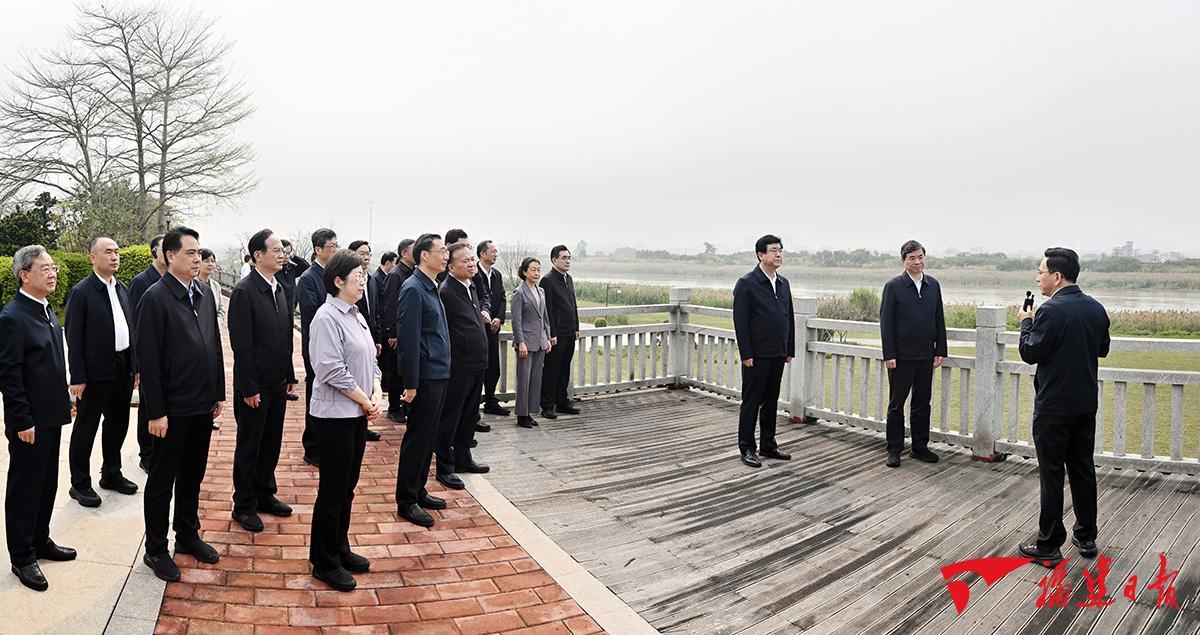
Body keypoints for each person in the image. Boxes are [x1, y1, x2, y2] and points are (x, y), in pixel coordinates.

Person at [136, 226, 226, 582]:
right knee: (162, 480)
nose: (197, 258)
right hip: (171, 410)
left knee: (192, 475)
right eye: (190, 252)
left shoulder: (202, 293)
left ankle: (187, 535)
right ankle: (156, 549)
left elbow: (214, 346)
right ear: (170, 255)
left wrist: (217, 392)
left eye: (199, 252)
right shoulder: (155, 298)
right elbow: (149, 360)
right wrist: (156, 411)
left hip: (201, 404)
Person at [1017, 247, 1110, 568]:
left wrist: (1026, 323)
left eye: (1041, 272)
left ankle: (1049, 544)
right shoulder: (1096, 308)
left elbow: (1030, 352)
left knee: (1053, 474)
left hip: (1054, 407)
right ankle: (1086, 535)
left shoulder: (1049, 311)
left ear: (1057, 276)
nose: (1038, 278)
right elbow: (1102, 349)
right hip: (1084, 404)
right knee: (1083, 469)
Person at [0, 246, 77, 592]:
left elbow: (52, 363)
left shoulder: (45, 310)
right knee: (25, 487)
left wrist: (65, 399)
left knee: (47, 483)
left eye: (53, 267)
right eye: (44, 268)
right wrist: (21, 420)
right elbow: (9, 375)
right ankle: (21, 555)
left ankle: (40, 539)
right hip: (29, 421)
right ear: (24, 275)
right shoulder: (13, 317)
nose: (52, 273)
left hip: (51, 415)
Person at [307, 250, 381, 591]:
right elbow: (330, 369)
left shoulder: (355, 314)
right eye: (357, 277)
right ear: (338, 281)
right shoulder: (326, 317)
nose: (363, 282)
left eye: (364, 276)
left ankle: (339, 547)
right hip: (336, 415)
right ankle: (323, 561)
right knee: (333, 490)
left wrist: (376, 391)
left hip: (357, 413)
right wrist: (365, 399)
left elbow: (371, 360)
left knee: (347, 486)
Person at [228, 229, 298, 533]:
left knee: (271, 443)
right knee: (250, 447)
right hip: (254, 387)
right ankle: (243, 505)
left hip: (277, 382)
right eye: (276, 250)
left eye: (283, 250)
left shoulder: (278, 287)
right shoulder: (245, 291)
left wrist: (289, 374)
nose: (283, 255)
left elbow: (285, 336)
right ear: (258, 255)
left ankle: (264, 493)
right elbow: (241, 345)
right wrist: (249, 387)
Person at [64, 237, 138, 509]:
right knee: (86, 426)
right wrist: (78, 376)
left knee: (118, 423)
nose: (114, 256)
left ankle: (111, 473)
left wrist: (134, 366)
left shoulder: (122, 288)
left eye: (117, 252)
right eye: (108, 252)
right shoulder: (82, 292)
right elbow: (74, 336)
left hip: (122, 366)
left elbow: (131, 329)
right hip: (95, 371)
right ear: (92, 258)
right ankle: (80, 482)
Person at [394, 234, 451, 528]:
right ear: (424, 255)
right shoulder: (413, 289)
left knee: (428, 437)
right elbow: (408, 340)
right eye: (441, 251)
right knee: (417, 438)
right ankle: (406, 500)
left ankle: (419, 490)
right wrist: (411, 384)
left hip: (438, 373)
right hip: (425, 377)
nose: (446, 255)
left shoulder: (431, 285)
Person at [879, 240, 948, 468]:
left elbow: (939, 318)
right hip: (901, 357)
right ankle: (894, 449)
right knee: (896, 404)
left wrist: (940, 349)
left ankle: (920, 447)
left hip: (926, 355)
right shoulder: (893, 286)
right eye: (912, 258)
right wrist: (889, 354)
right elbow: (886, 323)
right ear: (903, 261)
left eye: (920, 257)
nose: (917, 262)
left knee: (922, 403)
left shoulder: (933, 285)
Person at [732, 235, 795, 468]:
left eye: (780, 250)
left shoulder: (783, 283)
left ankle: (768, 444)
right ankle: (747, 447)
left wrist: (789, 348)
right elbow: (741, 322)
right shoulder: (747, 283)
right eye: (773, 251)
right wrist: (746, 354)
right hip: (756, 355)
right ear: (761, 255)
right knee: (752, 402)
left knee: (771, 400)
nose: (778, 255)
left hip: (778, 352)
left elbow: (788, 317)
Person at [434, 244, 491, 491]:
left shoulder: (471, 286)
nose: (470, 264)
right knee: (451, 416)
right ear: (451, 267)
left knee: (469, 415)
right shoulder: (446, 291)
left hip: (477, 362)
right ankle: (445, 466)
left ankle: (463, 457)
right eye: (464, 261)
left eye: (471, 260)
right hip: (458, 365)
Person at [298, 228, 339, 467]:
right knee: (316, 396)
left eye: (336, 245)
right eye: (332, 246)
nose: (335, 249)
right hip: (316, 347)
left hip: (335, 347)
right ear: (318, 249)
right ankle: (312, 447)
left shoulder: (333, 276)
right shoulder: (308, 278)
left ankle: (325, 444)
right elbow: (311, 316)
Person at [129, 233, 166, 473]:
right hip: (147, 356)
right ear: (155, 252)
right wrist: (137, 364)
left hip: (168, 358)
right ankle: (146, 453)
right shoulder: (141, 282)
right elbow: (134, 325)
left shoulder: (172, 280)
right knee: (147, 406)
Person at [509, 257, 552, 429]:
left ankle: (530, 412)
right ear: (524, 272)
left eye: (538, 269)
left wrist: (547, 338)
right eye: (533, 269)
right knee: (524, 380)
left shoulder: (541, 291)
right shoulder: (519, 292)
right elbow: (516, 321)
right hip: (525, 343)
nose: (536, 273)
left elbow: (545, 318)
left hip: (540, 341)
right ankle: (521, 415)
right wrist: (521, 342)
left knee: (535, 379)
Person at [539, 245, 581, 419]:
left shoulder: (568, 279)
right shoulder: (547, 280)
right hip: (556, 334)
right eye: (564, 258)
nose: (567, 261)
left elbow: (573, 304)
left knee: (564, 369)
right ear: (554, 260)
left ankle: (562, 402)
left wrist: (576, 327)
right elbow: (547, 310)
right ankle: (547, 405)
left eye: (569, 258)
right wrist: (551, 334)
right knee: (552, 370)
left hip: (570, 332)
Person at [348, 240, 383, 442]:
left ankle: (365, 420)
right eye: (362, 253)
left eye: (369, 253)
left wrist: (377, 338)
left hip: (368, 337)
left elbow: (376, 311)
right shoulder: (328, 316)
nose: (367, 257)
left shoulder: (371, 281)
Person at [381, 238, 416, 423]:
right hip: (398, 332)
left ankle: (405, 405)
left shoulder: (413, 272)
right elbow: (390, 305)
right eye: (414, 249)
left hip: (408, 331)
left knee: (406, 370)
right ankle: (394, 407)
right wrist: (393, 333)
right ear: (404, 253)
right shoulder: (396, 275)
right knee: (395, 371)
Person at [474, 240, 509, 417]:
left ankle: (490, 400)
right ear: (482, 254)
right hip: (478, 329)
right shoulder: (473, 273)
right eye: (493, 251)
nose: (496, 254)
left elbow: (502, 298)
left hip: (494, 328)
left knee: (494, 366)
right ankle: (474, 406)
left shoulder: (497, 274)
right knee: (477, 368)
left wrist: (499, 318)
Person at [199, 248, 225, 325]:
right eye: (206, 261)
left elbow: (221, 310)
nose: (210, 264)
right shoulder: (192, 284)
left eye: (212, 261)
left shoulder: (216, 286)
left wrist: (217, 325)